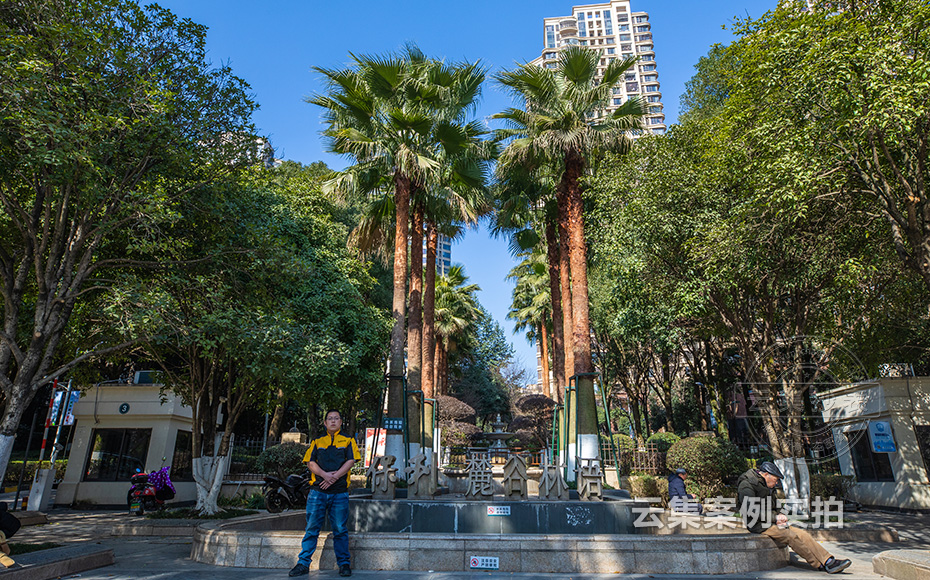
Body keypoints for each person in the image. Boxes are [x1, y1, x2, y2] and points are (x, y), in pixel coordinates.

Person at [737, 461, 851, 574]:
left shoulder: (766, 485)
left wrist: (781, 514)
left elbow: (775, 504)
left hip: (772, 521)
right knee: (790, 536)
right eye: (775, 480)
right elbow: (750, 510)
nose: (776, 483)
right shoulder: (747, 484)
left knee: (803, 534)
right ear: (766, 474)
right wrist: (775, 518)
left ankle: (829, 560)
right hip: (758, 524)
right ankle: (819, 564)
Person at [289, 410, 360, 578]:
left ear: (341, 422)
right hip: (317, 492)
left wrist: (334, 477)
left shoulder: (348, 440)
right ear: (325, 423)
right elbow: (310, 462)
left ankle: (344, 564)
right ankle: (303, 563)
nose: (333, 421)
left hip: (339, 493)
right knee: (312, 528)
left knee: (340, 529)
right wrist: (325, 475)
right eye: (330, 419)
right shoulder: (317, 441)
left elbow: (351, 461)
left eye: (336, 418)